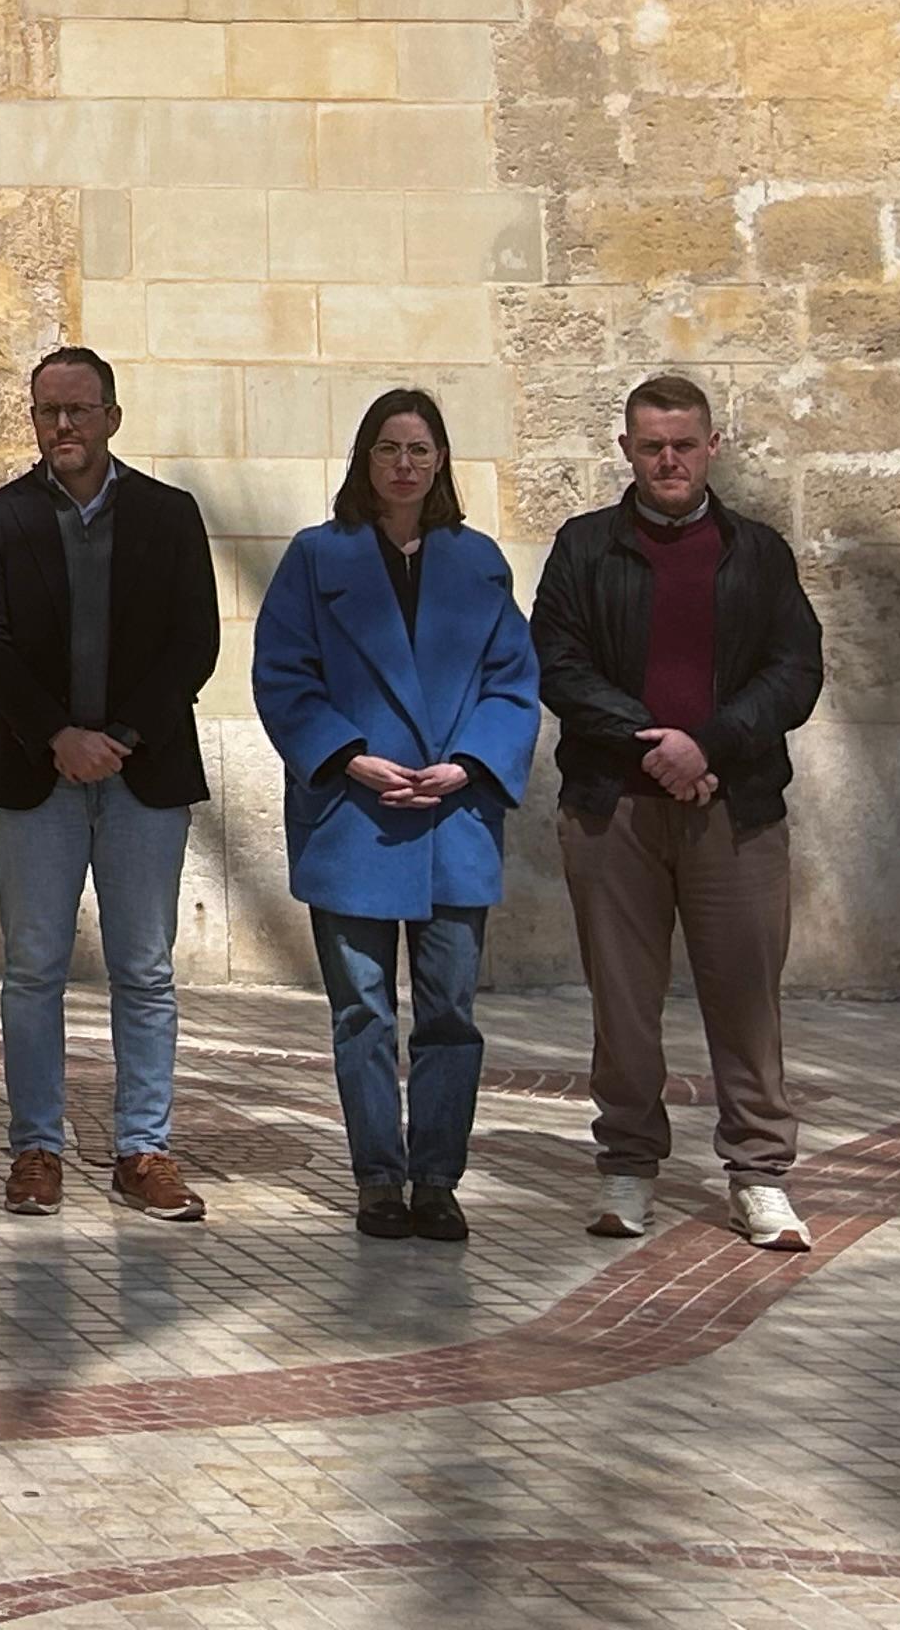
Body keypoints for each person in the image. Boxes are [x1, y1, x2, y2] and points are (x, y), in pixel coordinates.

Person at [530, 372, 825, 1250]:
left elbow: (796, 670)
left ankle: (760, 1174)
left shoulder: (760, 552)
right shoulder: (584, 547)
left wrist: (709, 746)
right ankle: (626, 1167)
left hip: (735, 809)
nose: (668, 459)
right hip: (610, 810)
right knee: (624, 1002)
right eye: (651, 444)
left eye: (684, 444)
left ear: (711, 449)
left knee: (745, 999)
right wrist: (653, 747)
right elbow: (558, 661)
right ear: (625, 449)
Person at [251, 387, 541, 1242]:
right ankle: (379, 1176)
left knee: (450, 1012)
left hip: (451, 817)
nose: (405, 465)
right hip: (354, 813)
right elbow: (283, 675)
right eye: (389, 449)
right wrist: (350, 756)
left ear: (441, 461)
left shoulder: (480, 562)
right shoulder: (316, 556)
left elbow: (513, 683)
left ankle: (438, 1180)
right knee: (364, 1013)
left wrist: (465, 765)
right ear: (363, 460)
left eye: (419, 450)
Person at [0, 346, 223, 1221]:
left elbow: (195, 642)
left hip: (144, 775)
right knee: (33, 968)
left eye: (78, 410)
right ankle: (36, 1147)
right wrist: (58, 736)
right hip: (35, 777)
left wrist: (117, 738)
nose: (63, 426)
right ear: (32, 421)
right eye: (47, 412)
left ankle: (142, 1148)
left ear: (112, 416)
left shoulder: (170, 515)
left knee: (144, 969)